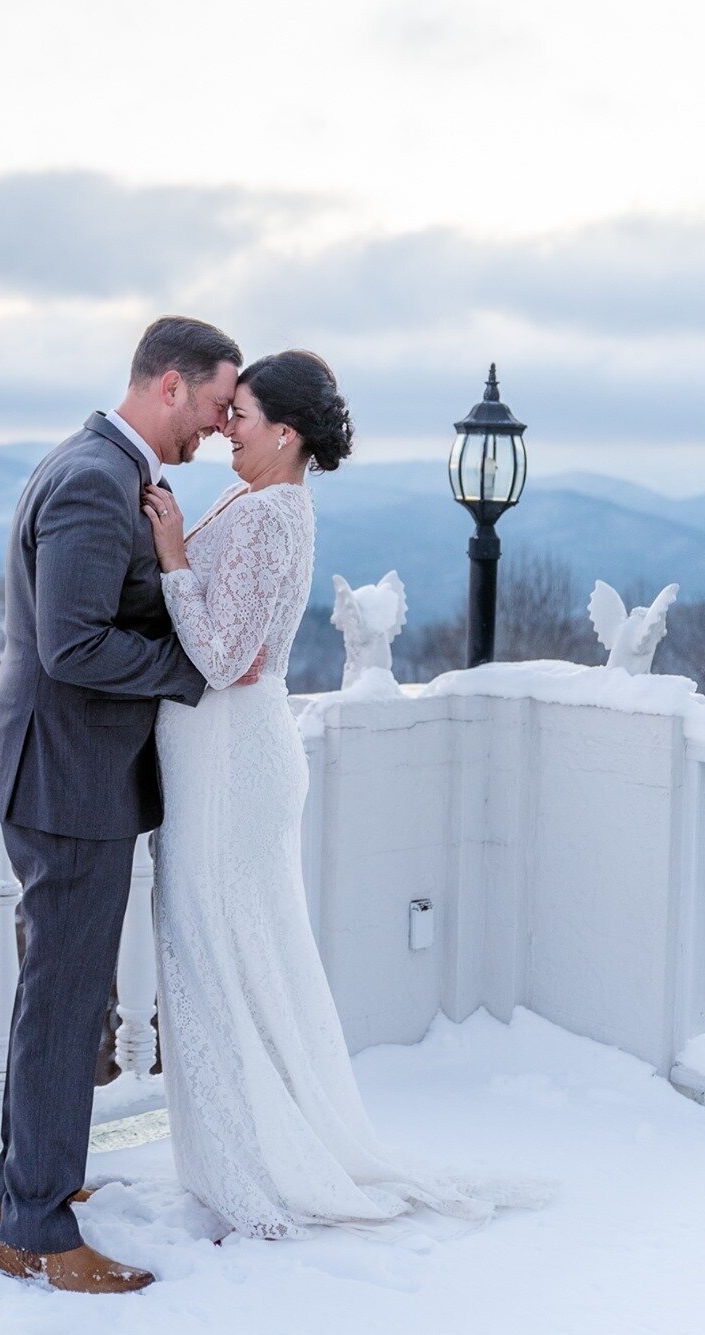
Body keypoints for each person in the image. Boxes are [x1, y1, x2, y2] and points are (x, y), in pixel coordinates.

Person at [143, 350, 513, 1239]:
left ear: (286, 432)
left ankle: (254, 1163)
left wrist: (168, 555)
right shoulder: (264, 498)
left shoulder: (271, 511)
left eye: (240, 413)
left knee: (222, 949)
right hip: (226, 750)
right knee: (226, 945)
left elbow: (226, 657)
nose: (225, 424)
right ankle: (246, 1149)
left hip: (233, 758)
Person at [0, 315, 245, 1293]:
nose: (218, 428)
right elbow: (72, 645)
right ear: (169, 385)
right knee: (66, 1001)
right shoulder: (94, 481)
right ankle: (39, 1230)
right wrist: (192, 669)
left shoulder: (103, 469)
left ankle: (29, 1189)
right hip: (65, 779)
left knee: (60, 995)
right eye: (215, 405)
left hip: (63, 775)